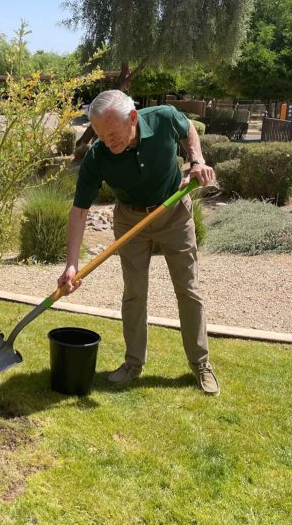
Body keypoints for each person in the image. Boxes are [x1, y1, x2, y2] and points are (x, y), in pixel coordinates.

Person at [57, 90, 219, 395]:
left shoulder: (163, 118)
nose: (108, 142)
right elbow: (79, 211)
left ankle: (200, 363)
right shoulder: (98, 156)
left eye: (113, 134)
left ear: (132, 118)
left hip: (174, 211)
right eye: (102, 136)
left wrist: (196, 160)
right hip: (131, 220)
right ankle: (133, 364)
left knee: (188, 289)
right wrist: (71, 264)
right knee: (134, 293)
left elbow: (188, 131)